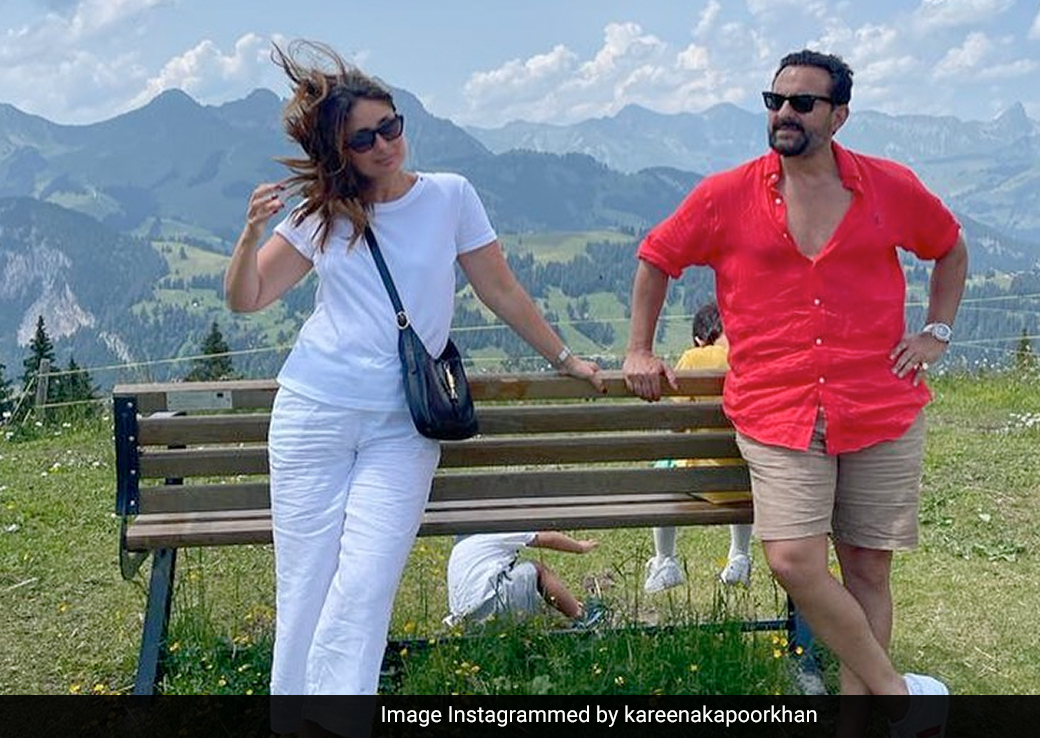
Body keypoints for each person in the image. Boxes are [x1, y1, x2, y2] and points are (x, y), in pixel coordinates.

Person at [224, 39, 603, 728]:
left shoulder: (451, 195)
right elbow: (247, 298)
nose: (383, 144)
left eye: (389, 125)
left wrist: (564, 357)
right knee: (305, 580)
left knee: (366, 582)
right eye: (363, 138)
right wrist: (250, 236)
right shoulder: (322, 213)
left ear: (403, 120)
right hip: (314, 412)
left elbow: (500, 288)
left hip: (404, 425)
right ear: (341, 151)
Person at [622, 49, 967, 734]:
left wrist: (936, 332)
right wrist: (638, 349)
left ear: (838, 115)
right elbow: (657, 256)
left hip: (880, 405)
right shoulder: (727, 194)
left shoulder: (888, 187)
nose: (784, 113)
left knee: (868, 569)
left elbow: (949, 248)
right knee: (792, 560)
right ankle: (898, 696)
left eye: (802, 103)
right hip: (776, 409)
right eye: (774, 100)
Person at [643, 301, 754, 592]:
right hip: (752, 482)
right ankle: (740, 555)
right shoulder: (755, 356)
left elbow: (677, 425)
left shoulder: (694, 358)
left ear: (699, 339)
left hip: (701, 481)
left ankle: (664, 560)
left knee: (663, 467)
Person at [444, 531, 604, 628]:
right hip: (490, 604)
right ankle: (582, 617)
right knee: (538, 569)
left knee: (515, 576)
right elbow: (548, 538)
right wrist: (580, 547)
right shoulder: (497, 529)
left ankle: (569, 606)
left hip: (464, 619)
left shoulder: (462, 541)